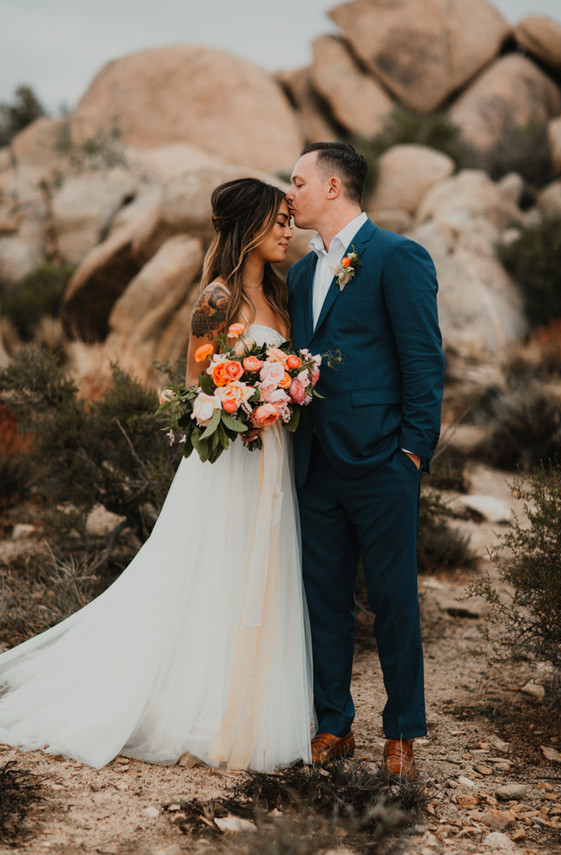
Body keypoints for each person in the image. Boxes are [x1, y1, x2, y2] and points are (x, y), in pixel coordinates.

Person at [0, 178, 313, 773]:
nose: (286, 229)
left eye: (289, 219)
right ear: (248, 226)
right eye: (277, 219)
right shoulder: (218, 300)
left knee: (261, 570)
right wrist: (246, 397)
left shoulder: (281, 295)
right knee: (214, 569)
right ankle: (196, 701)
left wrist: (286, 391)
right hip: (229, 459)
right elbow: (201, 385)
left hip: (273, 456)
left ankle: (246, 695)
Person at [285, 142, 445, 777]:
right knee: (324, 600)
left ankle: (402, 732)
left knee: (393, 600)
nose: (287, 193)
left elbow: (423, 360)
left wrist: (411, 450)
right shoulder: (300, 274)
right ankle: (334, 724)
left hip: (383, 460)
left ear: (331, 188)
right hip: (316, 463)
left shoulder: (397, 257)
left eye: (296, 181)